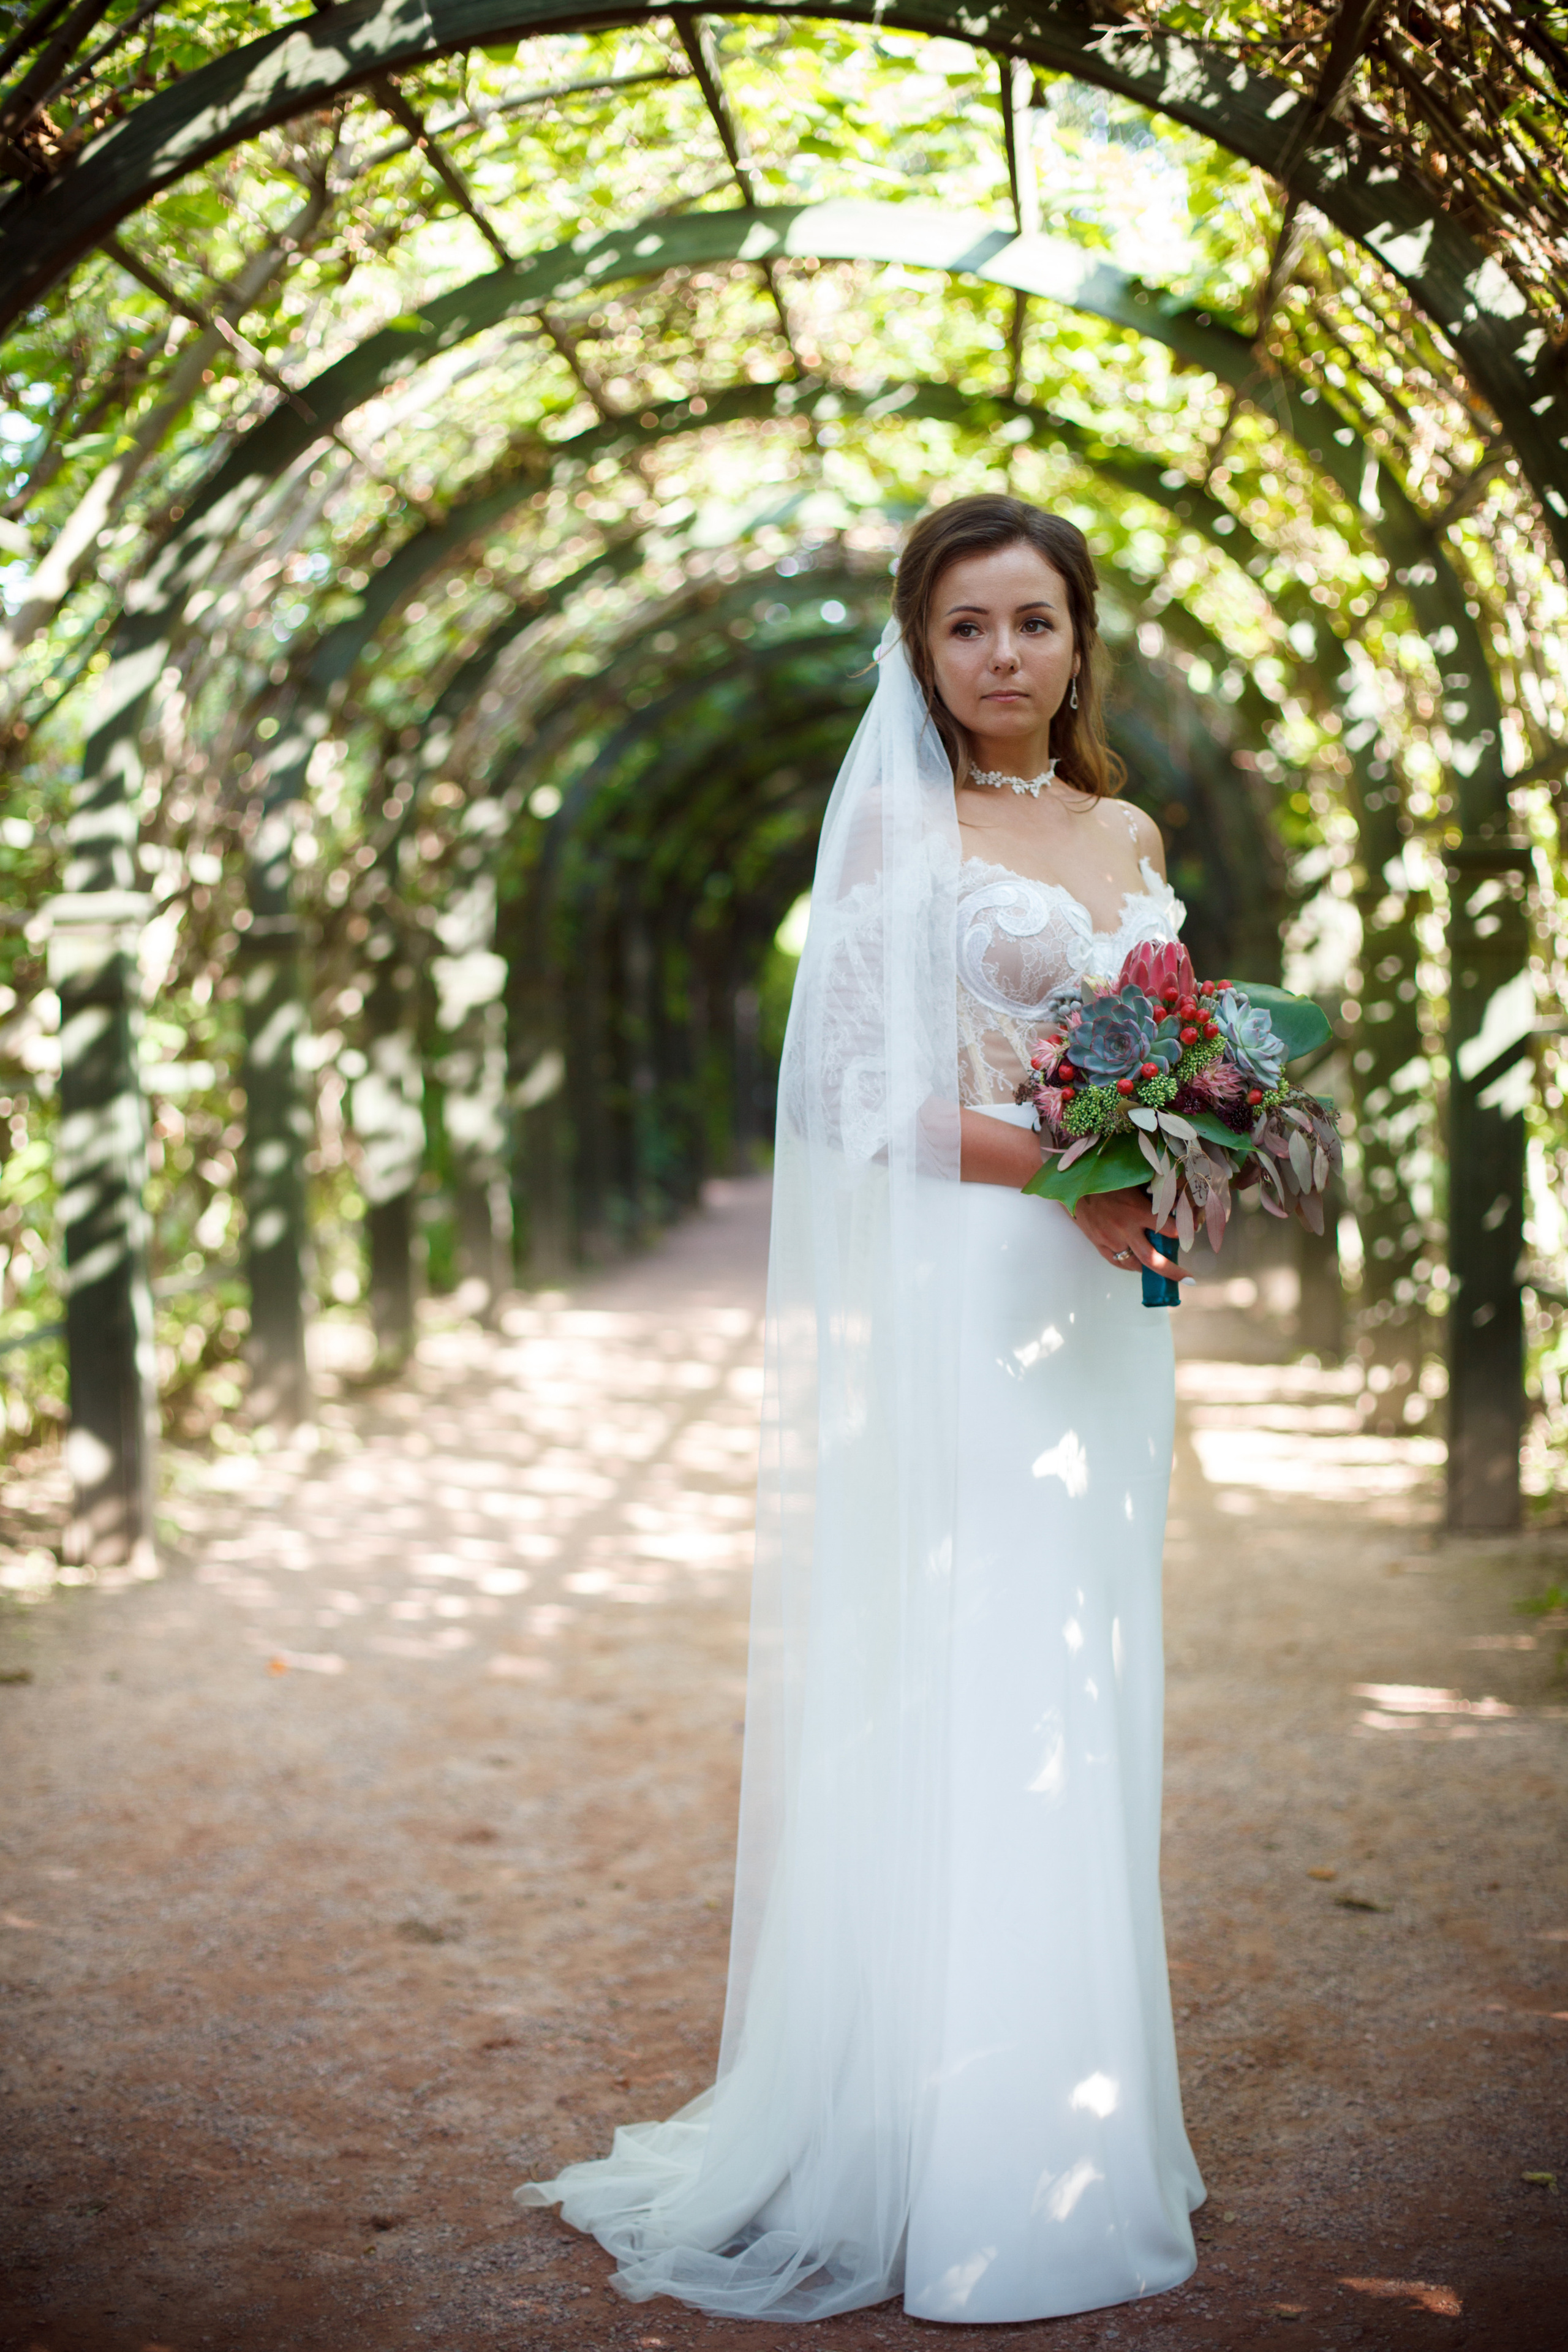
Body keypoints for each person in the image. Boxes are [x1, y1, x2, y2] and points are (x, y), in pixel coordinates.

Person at [518, 494, 1205, 2323]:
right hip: (979, 1279)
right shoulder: (902, 830)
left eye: (1034, 621)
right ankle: (956, 2154)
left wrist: (1181, 1151)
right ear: (921, 651)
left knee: (1087, 1667)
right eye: (967, 626)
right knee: (987, 1665)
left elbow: (1164, 1046)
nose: (1004, 655)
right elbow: (853, 1097)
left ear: (1079, 640)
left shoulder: (1127, 830)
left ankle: (1083, 2116)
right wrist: (1075, 1168)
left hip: (1108, 1300)